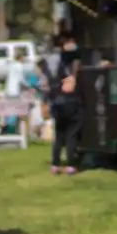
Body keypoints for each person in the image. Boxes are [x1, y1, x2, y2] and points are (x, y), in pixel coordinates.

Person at [42, 34, 82, 175]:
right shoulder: (69, 60)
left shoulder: (48, 60)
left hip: (56, 102)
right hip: (70, 101)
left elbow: (46, 82)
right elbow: (70, 82)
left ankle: (55, 164)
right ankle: (71, 165)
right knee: (71, 134)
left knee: (59, 134)